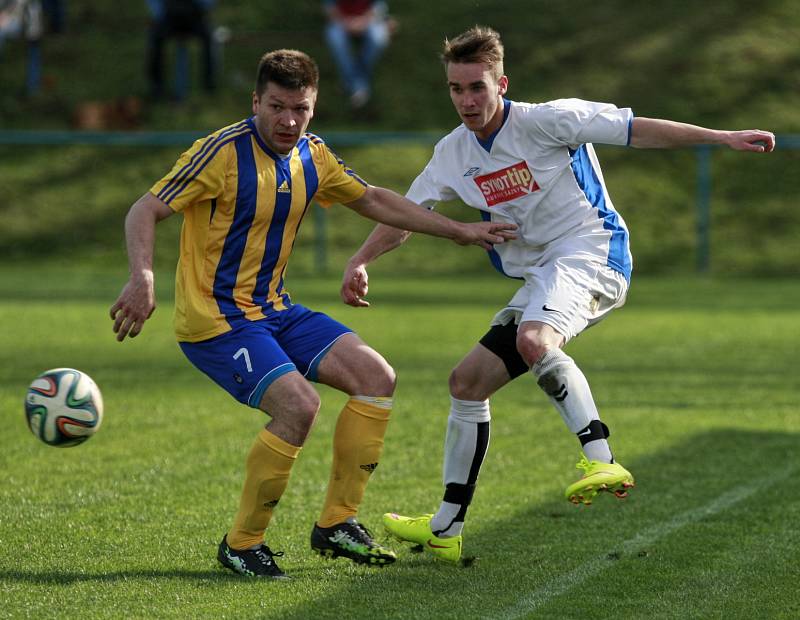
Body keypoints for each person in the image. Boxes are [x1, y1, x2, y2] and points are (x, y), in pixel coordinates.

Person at [340, 25, 775, 563]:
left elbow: (636, 130)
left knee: (533, 338)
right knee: (467, 382)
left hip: (593, 253)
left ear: (502, 82)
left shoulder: (549, 120)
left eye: (477, 86)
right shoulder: (453, 152)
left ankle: (600, 457)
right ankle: (446, 529)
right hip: (542, 274)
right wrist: (361, 259)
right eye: (456, 89)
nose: (467, 100)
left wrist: (721, 137)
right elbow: (406, 215)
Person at [109, 49, 515, 579]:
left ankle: (337, 524)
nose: (289, 120)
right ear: (256, 101)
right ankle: (242, 542)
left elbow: (373, 199)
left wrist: (460, 231)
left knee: (377, 376)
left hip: (276, 309)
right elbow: (146, 207)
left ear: (314, 106)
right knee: (299, 407)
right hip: (216, 321)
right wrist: (143, 275)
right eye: (276, 106)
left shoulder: (312, 155)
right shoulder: (220, 154)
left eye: (301, 108)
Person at [323, 0, 394, 109]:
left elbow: (378, 8)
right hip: (342, 22)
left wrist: (361, 22)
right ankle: (360, 86)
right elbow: (330, 9)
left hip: (370, 22)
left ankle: (354, 84)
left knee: (378, 38)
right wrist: (348, 23)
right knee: (335, 38)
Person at [145, 0, 216, 101]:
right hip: (169, 17)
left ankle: (209, 84)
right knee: (155, 39)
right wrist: (161, 14)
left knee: (209, 38)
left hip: (194, 16)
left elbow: (208, 3)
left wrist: (201, 8)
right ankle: (157, 87)